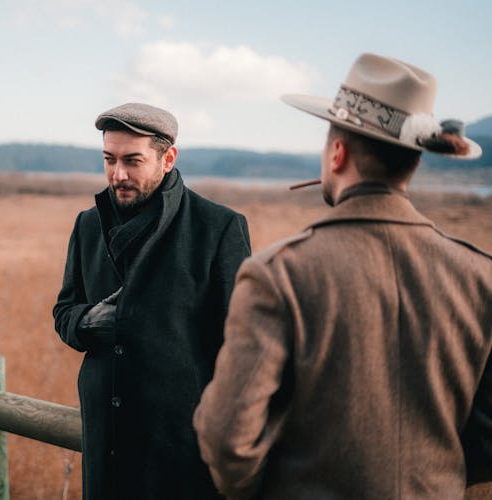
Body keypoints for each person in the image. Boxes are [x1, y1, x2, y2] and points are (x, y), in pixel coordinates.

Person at [193, 52, 492, 499]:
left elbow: (226, 438)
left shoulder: (279, 275)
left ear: (337, 153)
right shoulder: (480, 276)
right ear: (412, 162)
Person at [53, 102, 251, 499]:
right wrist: (87, 320)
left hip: (182, 454)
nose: (117, 174)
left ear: (168, 157)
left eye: (132, 161)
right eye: (108, 159)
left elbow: (242, 348)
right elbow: (64, 311)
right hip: (103, 443)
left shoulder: (219, 228)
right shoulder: (88, 225)